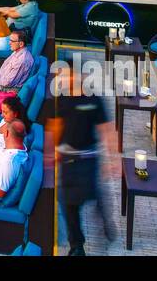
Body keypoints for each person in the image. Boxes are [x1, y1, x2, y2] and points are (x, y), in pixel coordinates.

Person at [46, 60, 117, 256]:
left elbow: (107, 130)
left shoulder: (94, 99)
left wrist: (113, 161)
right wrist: (50, 152)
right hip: (67, 159)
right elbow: (55, 125)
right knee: (68, 203)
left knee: (92, 195)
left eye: (67, 75)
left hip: (89, 157)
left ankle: (104, 217)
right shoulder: (62, 99)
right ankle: (77, 246)